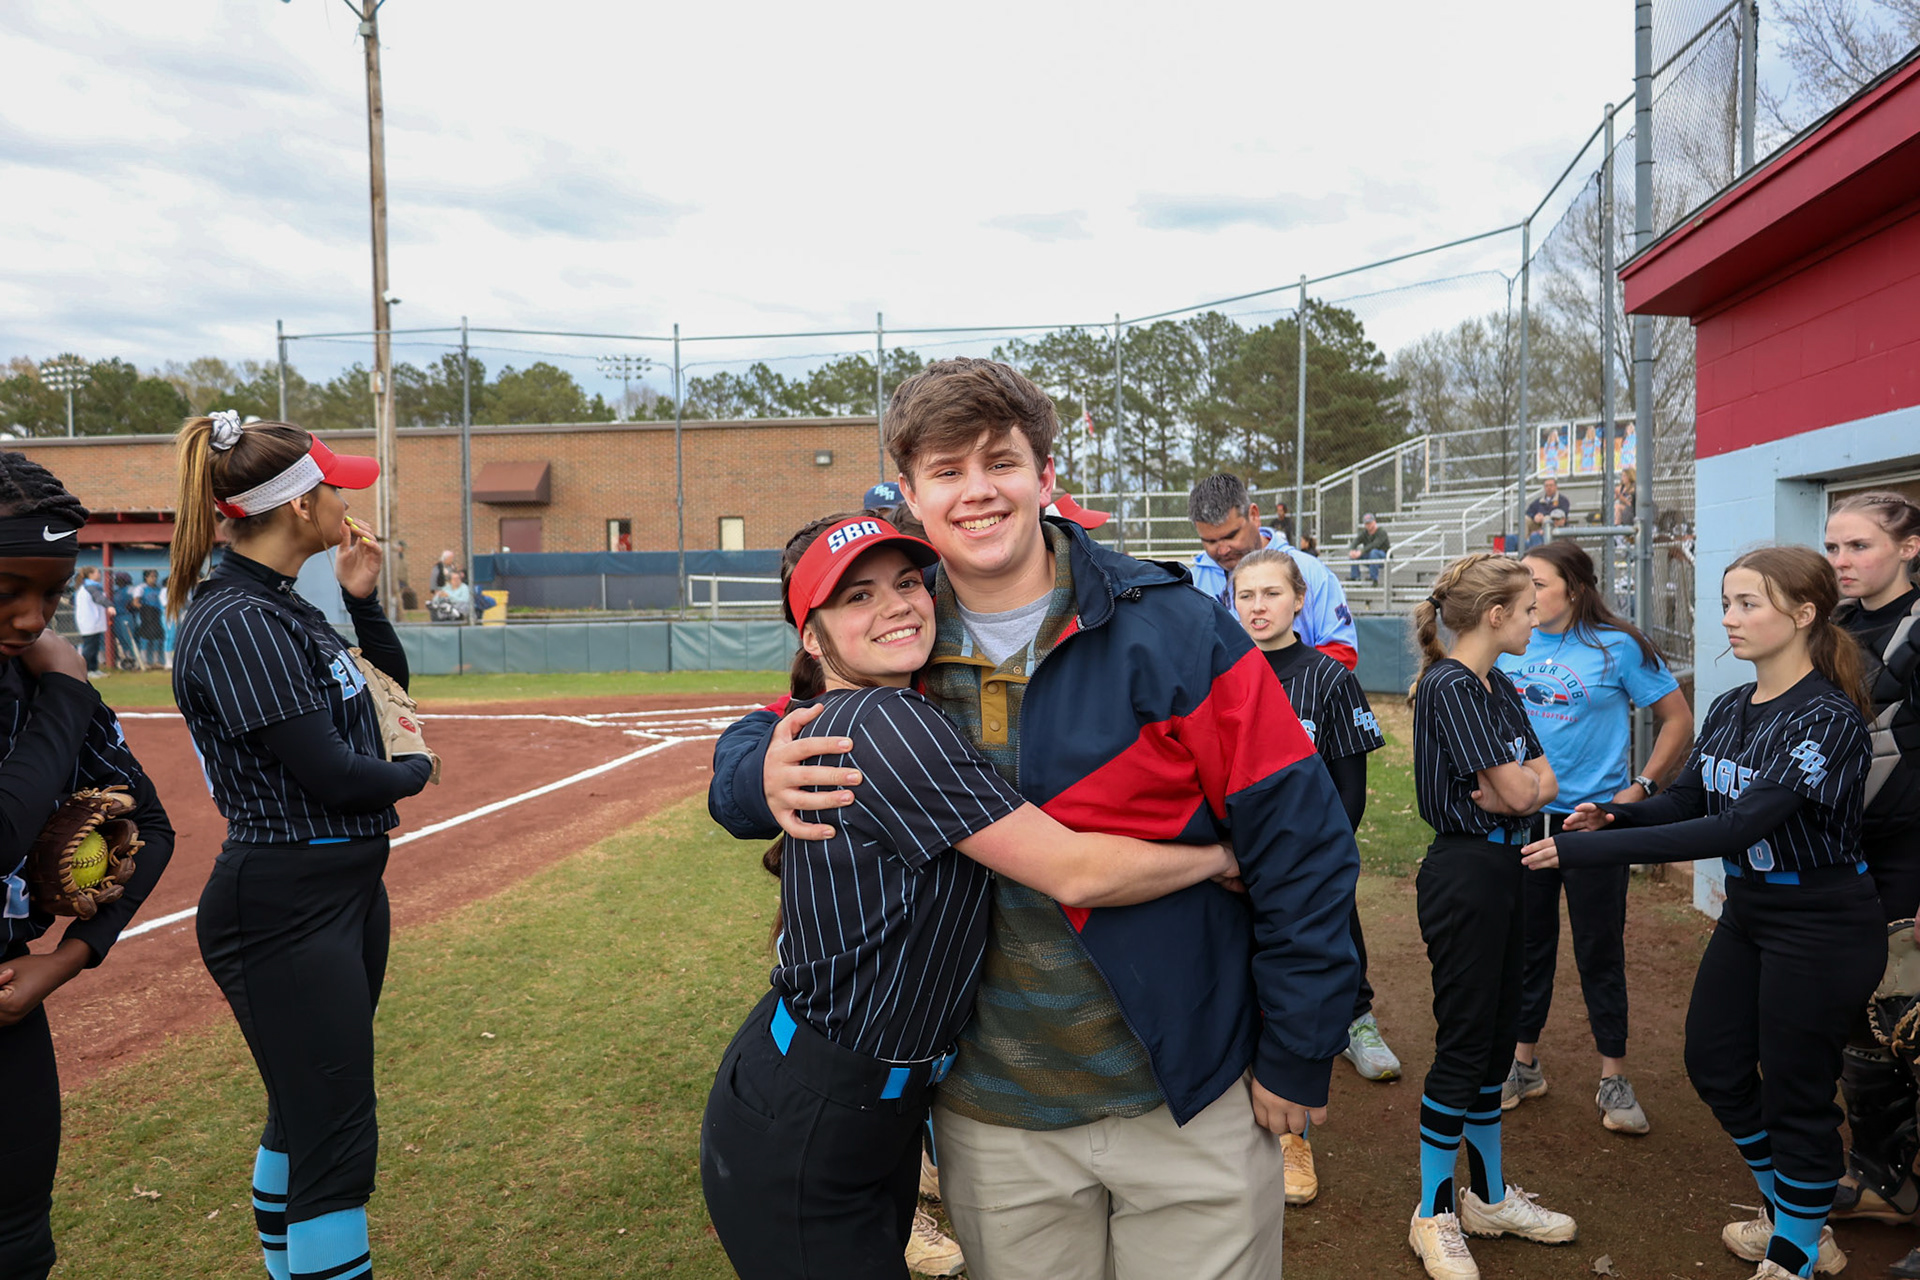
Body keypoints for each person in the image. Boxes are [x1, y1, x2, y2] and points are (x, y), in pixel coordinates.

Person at [709, 358, 1362, 1280]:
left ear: (1046, 475)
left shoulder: (1175, 628)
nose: (977, 492)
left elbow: (1304, 842)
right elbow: (771, 731)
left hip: (1188, 1093)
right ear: (911, 494)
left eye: (999, 462)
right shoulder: (897, 630)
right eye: (946, 470)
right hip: (991, 1112)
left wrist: (1300, 1045)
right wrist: (751, 779)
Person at [700, 511, 1239, 1280]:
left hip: (867, 1106)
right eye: (857, 596)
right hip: (811, 1112)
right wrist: (1218, 855)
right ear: (813, 641)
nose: (894, 605)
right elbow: (1074, 871)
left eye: (907, 582)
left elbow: (763, 723)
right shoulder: (886, 725)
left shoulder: (890, 704)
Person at [1523, 545, 1878, 1280]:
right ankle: (1795, 1214)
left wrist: (1584, 854)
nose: (1729, 618)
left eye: (1749, 603)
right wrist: (1617, 818)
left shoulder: (1826, 716)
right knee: (1714, 1065)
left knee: (1796, 1090)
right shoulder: (1731, 704)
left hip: (1821, 921)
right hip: (1751, 913)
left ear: (1803, 614)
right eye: (1726, 602)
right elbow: (1693, 799)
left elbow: (1738, 827)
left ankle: (1796, 1255)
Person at [168, 411, 435, 1280]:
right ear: (296, 506)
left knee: (304, 1114)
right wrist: (415, 773)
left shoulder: (282, 605)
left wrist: (361, 601)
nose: (345, 501)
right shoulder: (237, 618)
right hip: (285, 898)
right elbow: (330, 768)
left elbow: (387, 695)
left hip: (338, 886)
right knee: (335, 1144)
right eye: (333, 489)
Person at [0, 451, 176, 1280]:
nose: (35, 620)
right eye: (10, 591)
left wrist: (64, 963)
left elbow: (157, 829)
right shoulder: (55, 690)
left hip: (6, 1009)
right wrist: (67, 697)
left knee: (21, 1245)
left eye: (52, 596)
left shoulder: (34, 684)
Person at [1405, 552, 1577, 1280]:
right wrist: (1522, 789)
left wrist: (1524, 789)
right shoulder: (1450, 685)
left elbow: (1540, 781)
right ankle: (1433, 1213)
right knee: (1467, 1039)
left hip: (1510, 865)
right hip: (1467, 871)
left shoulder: (1494, 680)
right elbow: (1511, 791)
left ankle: (1492, 1198)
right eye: (1528, 608)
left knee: (1498, 1037)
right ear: (1495, 614)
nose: (1537, 620)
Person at [1495, 540, 1694, 1135]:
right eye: (1523, 582)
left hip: (1595, 827)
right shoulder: (1511, 641)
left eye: (1538, 581)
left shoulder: (1620, 647)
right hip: (1525, 822)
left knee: (1599, 951)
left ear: (1575, 589)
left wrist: (1635, 793)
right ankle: (1523, 1066)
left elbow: (1678, 720)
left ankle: (1613, 1076)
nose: (1528, 592)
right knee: (1527, 947)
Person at [1231, 547, 1397, 1208]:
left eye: (1273, 593)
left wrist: (1304, 871)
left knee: (1291, 1000)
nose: (1259, 607)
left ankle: (1293, 1136)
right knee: (1227, 996)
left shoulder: (1327, 678)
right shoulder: (1218, 674)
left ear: (1300, 600)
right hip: (1223, 874)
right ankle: (1229, 1137)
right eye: (1246, 595)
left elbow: (1347, 796)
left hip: (1296, 879)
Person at [1820, 492, 1920, 1251]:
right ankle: (1883, 1177)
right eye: (1834, 548)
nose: (1843, 563)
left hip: (1909, 854)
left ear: (1909, 548)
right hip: (1840, 852)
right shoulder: (1827, 632)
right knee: (1860, 1011)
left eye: (1859, 547)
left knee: (1913, 1024)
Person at [1188, 472, 1361, 670]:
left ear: (1254, 515)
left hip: (1298, 697)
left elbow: (1342, 649)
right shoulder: (1193, 582)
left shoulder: (1309, 570)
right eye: (1210, 541)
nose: (1222, 549)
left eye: (1231, 536)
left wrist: (1288, 688)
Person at [71, 565, 108, 677]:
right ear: (90, 575)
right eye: (97, 572)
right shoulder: (89, 587)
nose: (99, 575)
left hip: (95, 622)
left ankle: (94, 668)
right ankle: (85, 671)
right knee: (89, 648)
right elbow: (99, 599)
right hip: (89, 622)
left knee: (94, 648)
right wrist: (110, 606)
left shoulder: (93, 587)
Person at [1526, 478, 1572, 549]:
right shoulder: (1538, 501)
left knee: (1547, 518)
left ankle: (1546, 539)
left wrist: (1543, 516)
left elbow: (1562, 514)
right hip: (1537, 525)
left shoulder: (1563, 500)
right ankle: (1524, 542)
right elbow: (1529, 512)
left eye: (1551, 485)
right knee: (1525, 519)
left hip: (1553, 525)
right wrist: (1534, 517)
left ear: (1556, 487)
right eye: (1546, 486)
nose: (1549, 488)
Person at [1349, 514, 1392, 584]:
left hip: (1384, 558)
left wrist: (1361, 551)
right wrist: (1352, 550)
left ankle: (1373, 578)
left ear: (1374, 522)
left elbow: (1375, 545)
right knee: (1354, 554)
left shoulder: (1381, 532)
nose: (1368, 525)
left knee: (1373, 552)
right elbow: (1356, 541)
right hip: (1370, 558)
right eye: (1366, 523)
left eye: (1370, 523)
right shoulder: (1364, 533)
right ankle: (1355, 577)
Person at [136, 569, 166, 669]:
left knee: (157, 638)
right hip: (146, 616)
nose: (154, 579)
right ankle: (144, 661)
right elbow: (135, 602)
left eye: (155, 577)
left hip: (158, 615)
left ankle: (156, 661)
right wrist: (145, 609)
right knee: (145, 638)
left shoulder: (159, 589)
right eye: (151, 576)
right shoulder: (142, 588)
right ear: (146, 577)